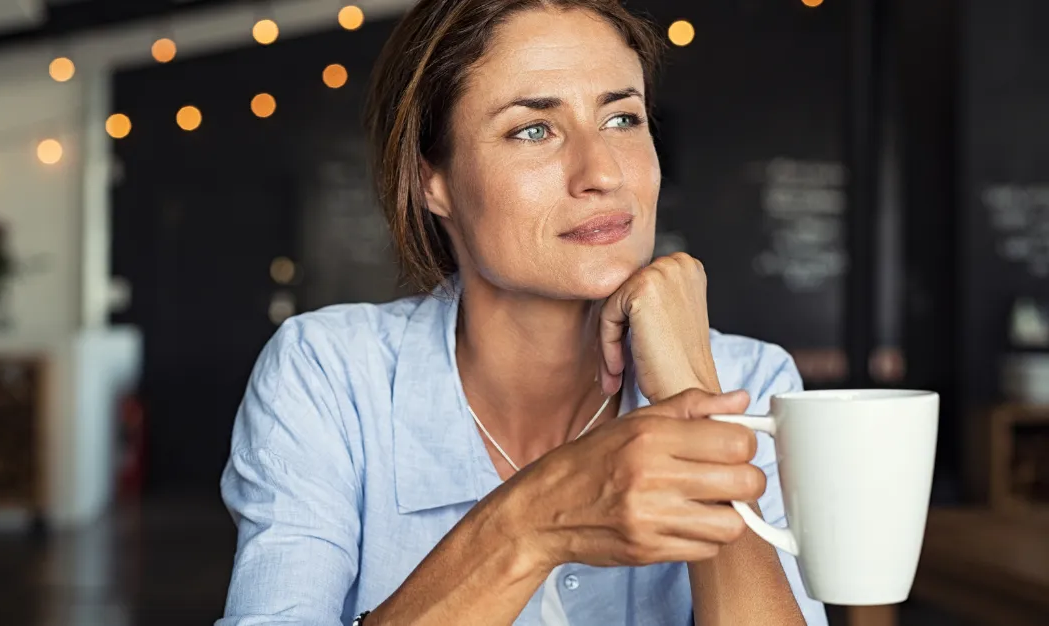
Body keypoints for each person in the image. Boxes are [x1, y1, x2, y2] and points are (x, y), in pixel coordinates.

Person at [219, 0, 828, 624]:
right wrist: (529, 524)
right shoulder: (329, 375)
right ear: (433, 179)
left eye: (622, 119)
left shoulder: (752, 382)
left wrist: (690, 391)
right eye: (533, 130)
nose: (603, 172)